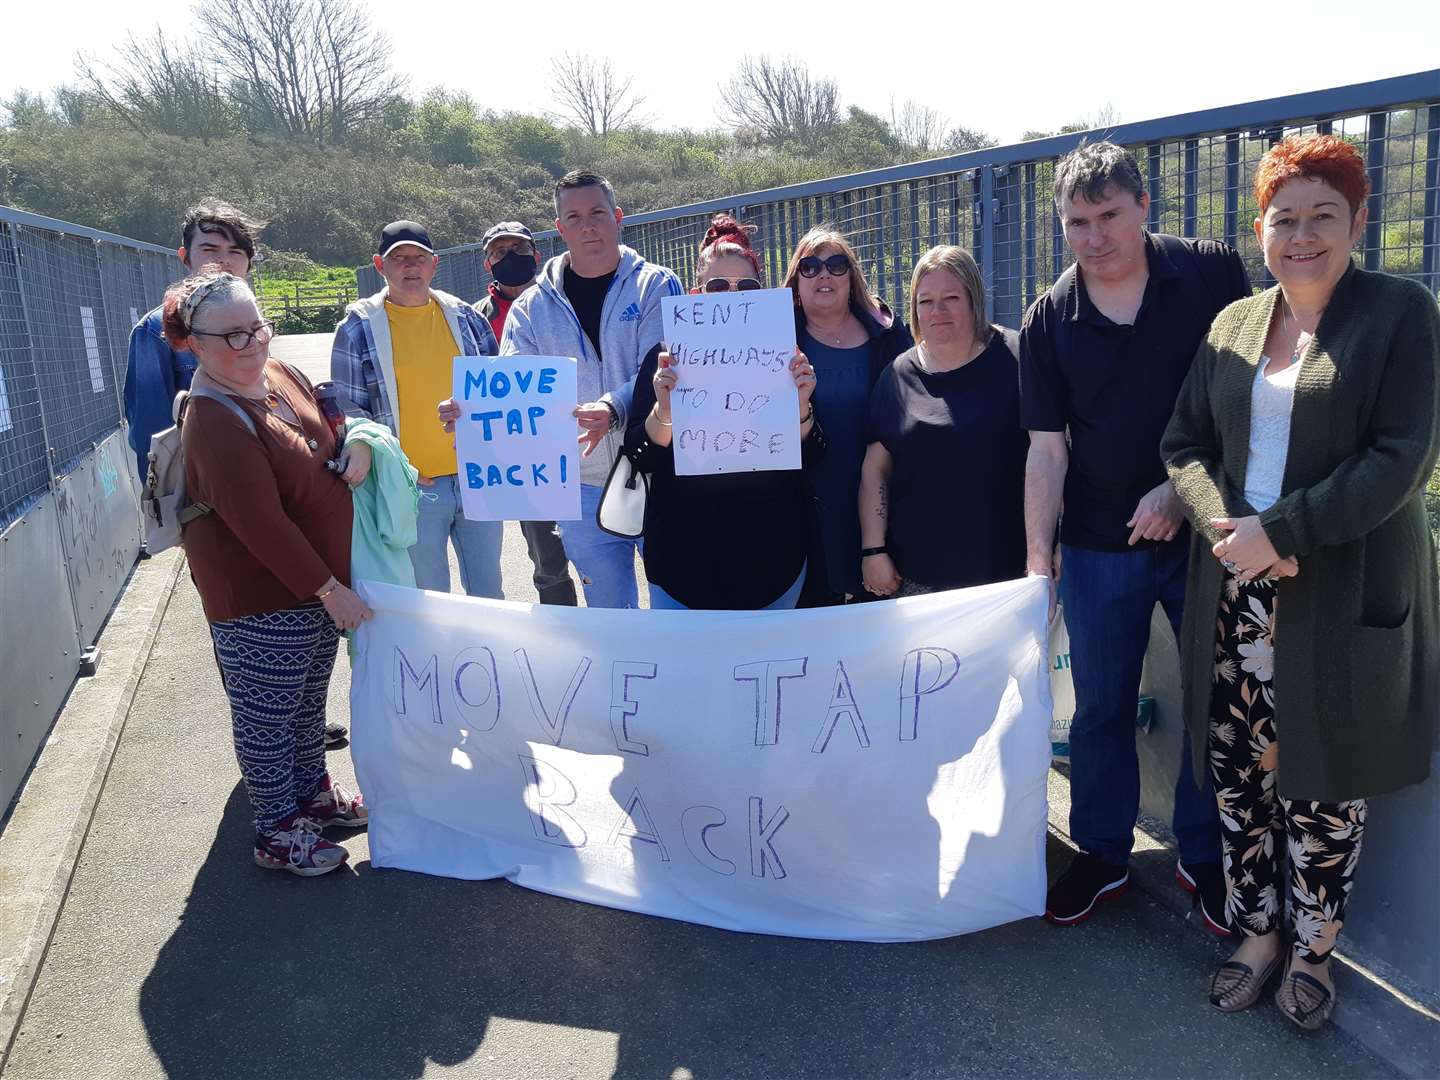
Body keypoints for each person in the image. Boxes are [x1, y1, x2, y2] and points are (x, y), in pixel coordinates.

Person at [1162, 133, 1438, 1029]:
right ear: (1261, 228)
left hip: (1337, 583)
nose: (1303, 235)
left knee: (1322, 783)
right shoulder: (1233, 324)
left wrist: (1285, 532)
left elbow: (1402, 456)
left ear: (1359, 222)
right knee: (1242, 774)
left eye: (1325, 216)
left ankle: (1314, 952)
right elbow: (1184, 445)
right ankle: (1256, 934)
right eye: (1286, 218)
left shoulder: (1401, 314)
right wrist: (1226, 529)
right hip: (1237, 587)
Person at [1020, 141, 1250, 930]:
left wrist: (1184, 494)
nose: (1093, 238)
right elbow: (1046, 448)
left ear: (1143, 207)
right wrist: (1036, 557)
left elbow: (1247, 406)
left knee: (1210, 699)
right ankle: (1102, 854)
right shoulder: (1049, 318)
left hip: (1205, 534)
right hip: (1095, 540)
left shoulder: (1213, 275)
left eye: (1108, 216)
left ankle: (1203, 855)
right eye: (1076, 223)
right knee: (1099, 707)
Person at [164, 270, 372, 876]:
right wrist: (330, 589)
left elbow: (330, 423)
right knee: (266, 716)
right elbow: (261, 526)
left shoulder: (275, 376)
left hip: (308, 585)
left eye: (257, 327)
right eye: (231, 336)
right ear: (194, 343)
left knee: (307, 702)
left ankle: (313, 796)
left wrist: (356, 436)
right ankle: (277, 828)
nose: (252, 344)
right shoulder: (214, 418)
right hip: (259, 595)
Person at [123, 199, 348, 747]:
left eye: (234, 252)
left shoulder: (253, 328)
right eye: (209, 249)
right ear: (184, 255)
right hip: (223, 515)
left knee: (297, 663)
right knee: (256, 663)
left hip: (292, 530)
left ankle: (301, 744)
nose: (221, 262)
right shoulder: (158, 332)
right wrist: (180, 516)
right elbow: (152, 437)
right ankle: (273, 778)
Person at [448, 172, 683, 609]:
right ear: (559, 228)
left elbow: (666, 369)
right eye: (574, 216)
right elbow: (514, 388)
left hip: (659, 474)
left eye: (597, 213)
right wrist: (472, 411)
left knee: (676, 608)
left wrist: (613, 407)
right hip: (580, 487)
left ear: (617, 217)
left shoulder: (657, 284)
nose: (587, 225)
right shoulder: (530, 307)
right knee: (609, 616)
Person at [624, 214, 821, 609]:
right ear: (698, 293)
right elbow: (638, 456)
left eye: (745, 286)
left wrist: (801, 408)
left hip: (773, 565)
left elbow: (815, 455)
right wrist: (665, 410)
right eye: (718, 286)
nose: (732, 295)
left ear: (760, 292)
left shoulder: (787, 355)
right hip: (684, 569)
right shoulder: (665, 359)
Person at [331, 220, 503, 597]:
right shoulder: (357, 328)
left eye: (419, 257)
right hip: (413, 488)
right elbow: (349, 409)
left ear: (433, 264)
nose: (411, 266)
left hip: (478, 479)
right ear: (381, 266)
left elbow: (500, 392)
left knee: (490, 593)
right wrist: (396, 467)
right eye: (400, 258)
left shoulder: (467, 318)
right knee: (429, 599)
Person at [859, 246, 1025, 597]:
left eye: (951, 297)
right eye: (925, 301)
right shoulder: (897, 375)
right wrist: (873, 550)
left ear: (974, 299)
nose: (938, 311)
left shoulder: (1018, 358)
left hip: (1012, 576)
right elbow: (876, 469)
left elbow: (1056, 451)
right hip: (918, 581)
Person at [782, 227, 913, 605]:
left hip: (882, 505)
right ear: (796, 280)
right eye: (810, 266)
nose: (824, 275)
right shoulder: (773, 341)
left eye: (836, 265)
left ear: (851, 276)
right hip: (807, 512)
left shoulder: (887, 334)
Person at [475, 220, 577, 606]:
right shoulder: (475, 319)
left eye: (519, 249)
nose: (510, 257)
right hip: (526, 464)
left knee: (600, 552)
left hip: (580, 446)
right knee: (547, 563)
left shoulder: (564, 302)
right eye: (500, 252)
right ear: (487, 263)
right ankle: (566, 643)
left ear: (536, 255)